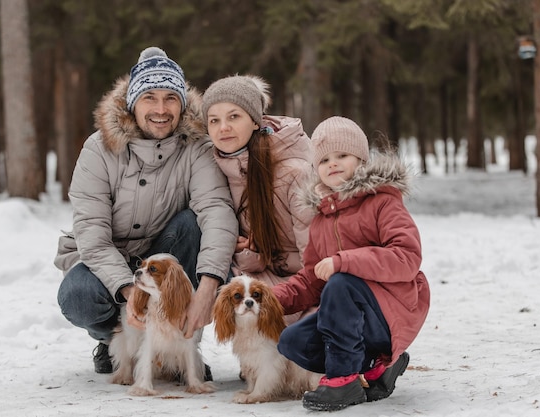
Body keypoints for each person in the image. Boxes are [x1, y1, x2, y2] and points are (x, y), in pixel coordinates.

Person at [54, 47, 238, 375]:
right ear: (132, 103)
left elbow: (217, 211)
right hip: (109, 258)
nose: (161, 109)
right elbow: (92, 235)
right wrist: (129, 290)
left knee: (192, 224)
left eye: (170, 97)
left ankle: (182, 347)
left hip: (165, 252)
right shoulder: (98, 149)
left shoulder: (196, 147)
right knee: (78, 295)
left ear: (182, 103)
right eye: (149, 97)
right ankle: (116, 340)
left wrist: (210, 285)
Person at [272, 116, 430, 411]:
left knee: (342, 283)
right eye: (324, 160)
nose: (333, 164)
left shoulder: (382, 201)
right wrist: (272, 300)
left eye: (342, 156)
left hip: (392, 308)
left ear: (361, 159)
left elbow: (406, 257)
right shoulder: (321, 219)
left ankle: (343, 380)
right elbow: (312, 278)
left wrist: (343, 261)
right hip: (348, 314)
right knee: (292, 341)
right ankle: (374, 368)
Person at [201, 75, 315, 302]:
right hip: (254, 282)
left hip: (302, 290)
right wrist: (248, 252)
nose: (223, 128)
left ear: (255, 121)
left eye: (234, 116)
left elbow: (315, 261)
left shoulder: (293, 173)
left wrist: (266, 256)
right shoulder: (214, 169)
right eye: (214, 121)